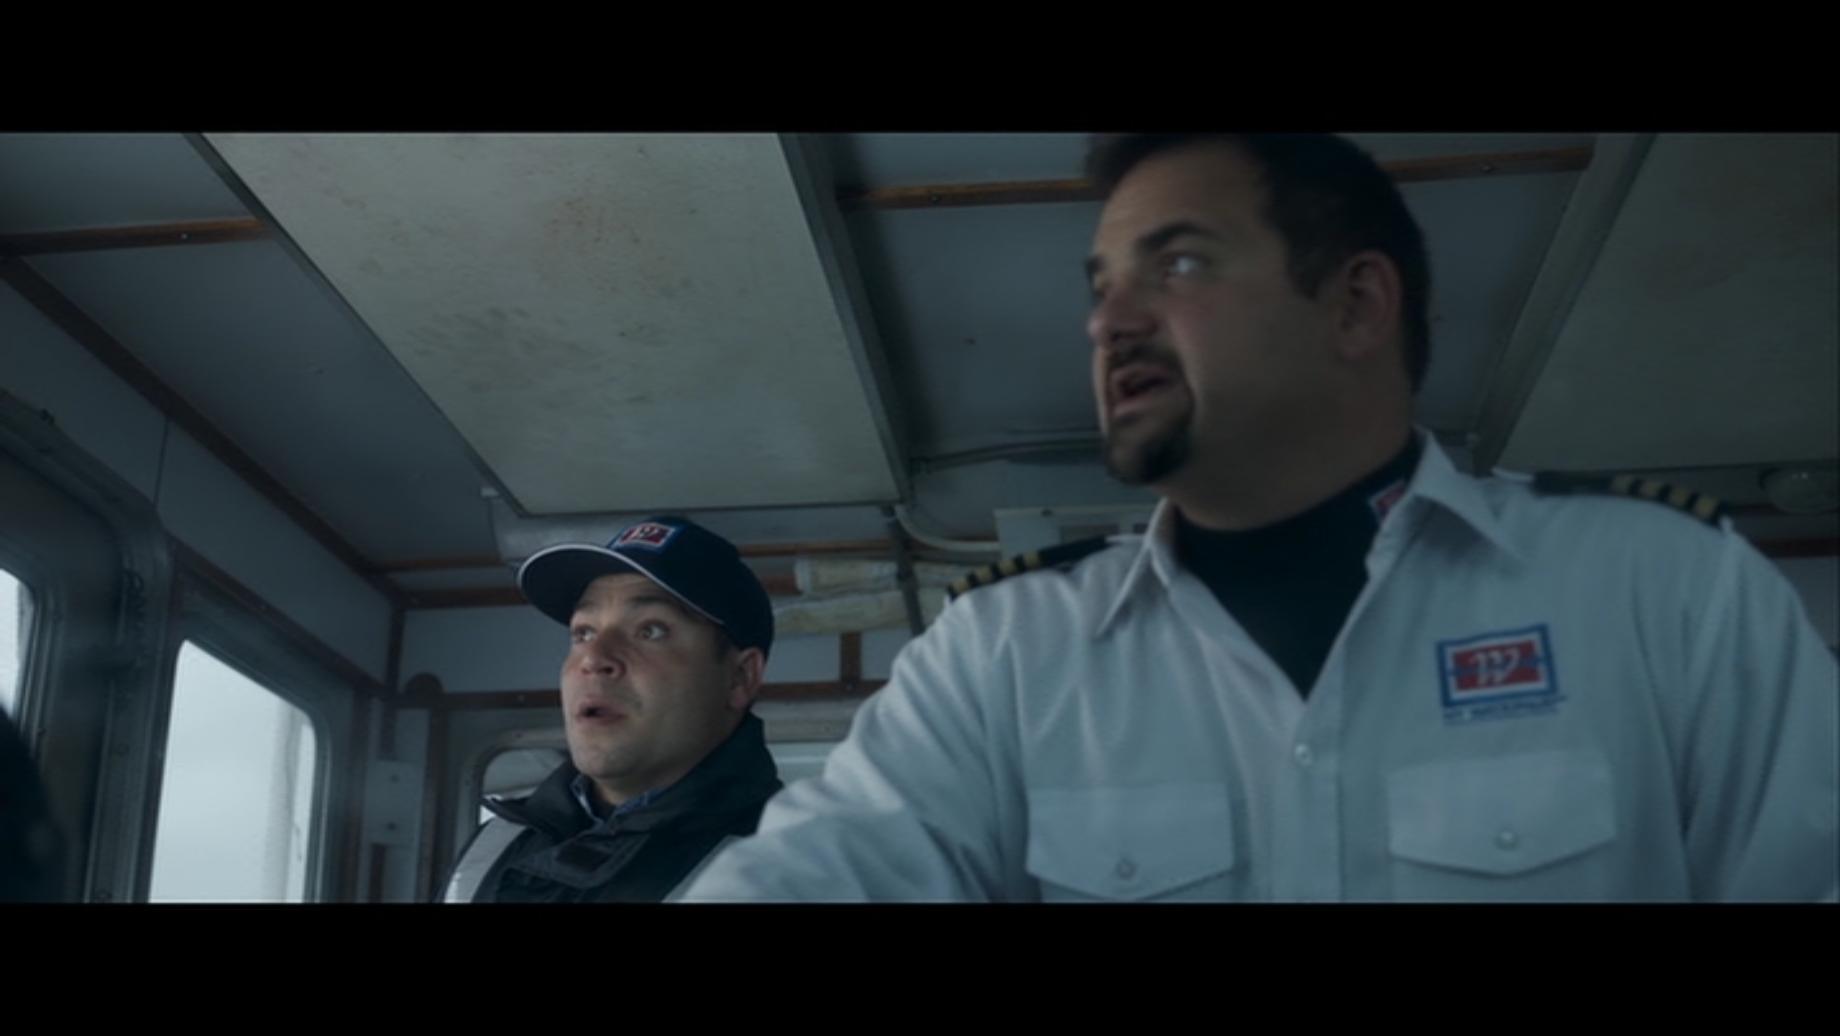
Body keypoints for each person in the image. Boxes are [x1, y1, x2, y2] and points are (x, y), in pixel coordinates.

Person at [678, 133, 1839, 902]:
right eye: (1100, 286)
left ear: (1356, 303)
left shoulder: (1662, 588)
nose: (1108, 323)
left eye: (1177, 264)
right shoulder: (1005, 655)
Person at [442, 515, 782, 902]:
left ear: (739, 677)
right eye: (583, 632)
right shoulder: (496, 843)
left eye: (650, 631)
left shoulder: (792, 869)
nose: (594, 658)